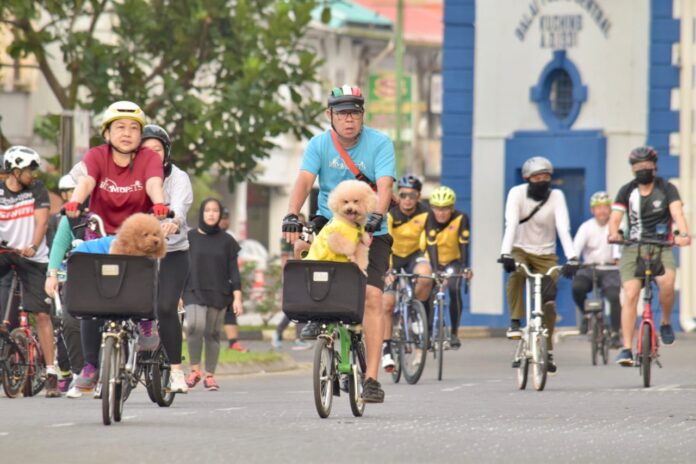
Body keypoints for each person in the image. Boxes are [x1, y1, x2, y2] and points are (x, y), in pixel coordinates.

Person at [282, 85, 395, 403]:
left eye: (355, 113)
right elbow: (305, 180)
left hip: (371, 229)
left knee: (372, 297)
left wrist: (377, 215)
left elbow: (385, 185)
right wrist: (291, 214)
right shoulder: (319, 144)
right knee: (301, 247)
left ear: (363, 116)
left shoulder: (380, 143)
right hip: (329, 222)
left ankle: (371, 379)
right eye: (343, 113)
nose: (349, 119)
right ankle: (313, 318)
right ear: (330, 115)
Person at [64, 101, 169, 393]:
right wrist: (75, 201)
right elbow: (87, 182)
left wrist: (160, 204)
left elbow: (153, 184)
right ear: (107, 133)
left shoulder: (148, 158)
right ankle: (89, 366)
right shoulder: (97, 155)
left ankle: (146, 321)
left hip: (137, 238)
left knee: (144, 273)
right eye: (120, 127)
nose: (127, 133)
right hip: (101, 233)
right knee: (90, 300)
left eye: (134, 128)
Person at [608, 146, 690, 366]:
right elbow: (615, 218)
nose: (642, 169)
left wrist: (683, 234)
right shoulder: (627, 191)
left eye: (646, 165)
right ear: (632, 169)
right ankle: (626, 349)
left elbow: (677, 213)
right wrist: (614, 233)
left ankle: (665, 322)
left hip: (661, 246)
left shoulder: (667, 188)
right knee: (630, 293)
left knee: (667, 282)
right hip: (633, 247)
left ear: (654, 167)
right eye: (638, 166)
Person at [499, 156, 578, 374]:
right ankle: (515, 322)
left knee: (549, 303)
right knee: (516, 273)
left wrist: (572, 257)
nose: (542, 181)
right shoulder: (516, 194)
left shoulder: (557, 196)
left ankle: (548, 350)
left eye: (546, 177)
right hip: (520, 249)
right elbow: (511, 224)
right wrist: (505, 253)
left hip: (546, 254)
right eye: (537, 177)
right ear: (527, 178)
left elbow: (563, 228)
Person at [0, 146, 60, 397]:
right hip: (5, 252)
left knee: (42, 315)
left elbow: (42, 222)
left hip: (33, 257)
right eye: (29, 170)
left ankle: (51, 372)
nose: (33, 174)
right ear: (15, 171)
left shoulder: (37, 189)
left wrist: (33, 246)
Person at [141, 124, 192, 393]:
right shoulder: (133, 176)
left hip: (173, 252)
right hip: (139, 253)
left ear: (167, 152)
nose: (152, 155)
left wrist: (175, 222)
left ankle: (175, 371)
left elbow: (180, 207)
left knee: (165, 307)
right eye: (146, 150)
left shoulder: (179, 177)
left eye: (157, 149)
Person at [184, 198, 243, 391]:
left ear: (220, 215)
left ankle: (209, 376)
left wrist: (237, 297)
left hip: (219, 291)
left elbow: (234, 271)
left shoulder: (227, 241)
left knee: (212, 333)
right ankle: (194, 370)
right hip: (193, 289)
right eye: (207, 210)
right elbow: (180, 266)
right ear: (202, 213)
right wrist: (177, 293)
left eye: (215, 211)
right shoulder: (189, 237)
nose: (211, 214)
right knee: (195, 325)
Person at [381, 175, 432, 371]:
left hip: (414, 255)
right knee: (387, 303)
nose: (407, 200)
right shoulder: (390, 213)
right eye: (403, 195)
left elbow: (429, 243)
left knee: (426, 275)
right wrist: (387, 269)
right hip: (392, 256)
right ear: (398, 195)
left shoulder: (426, 213)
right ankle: (386, 348)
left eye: (412, 195)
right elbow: (385, 242)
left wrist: (434, 267)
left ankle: (414, 310)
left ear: (418, 196)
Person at [423, 186, 472, 349]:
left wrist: (465, 267)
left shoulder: (461, 218)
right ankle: (428, 333)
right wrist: (435, 269)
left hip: (453, 260)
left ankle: (454, 333)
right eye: (437, 208)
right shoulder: (429, 218)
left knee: (454, 288)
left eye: (445, 209)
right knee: (429, 293)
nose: (441, 213)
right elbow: (431, 245)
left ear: (452, 208)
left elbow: (463, 244)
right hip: (433, 259)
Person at [571, 191, 622, 346]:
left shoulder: (617, 225)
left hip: (610, 269)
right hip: (589, 268)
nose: (602, 211)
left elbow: (619, 246)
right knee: (577, 287)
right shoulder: (586, 227)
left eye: (605, 207)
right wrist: (573, 260)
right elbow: (576, 247)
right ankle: (587, 315)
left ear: (610, 209)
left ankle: (615, 332)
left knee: (614, 297)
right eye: (598, 208)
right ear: (592, 210)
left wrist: (618, 258)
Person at [218, 207, 249, 353]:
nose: (225, 221)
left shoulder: (229, 238)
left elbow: (234, 263)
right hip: (207, 282)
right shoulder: (203, 237)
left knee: (230, 312)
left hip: (227, 281)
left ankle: (233, 343)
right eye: (222, 218)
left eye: (226, 218)